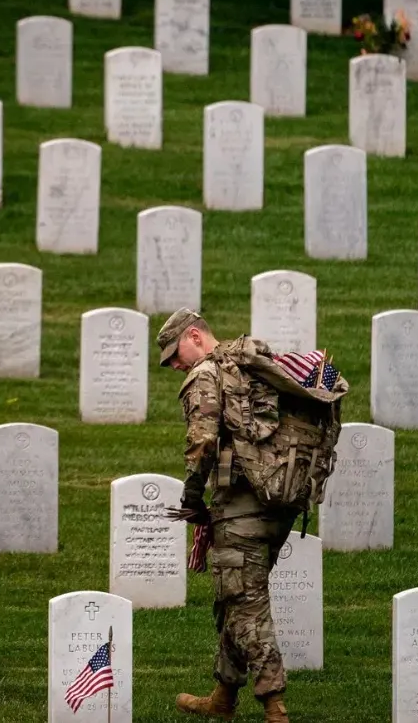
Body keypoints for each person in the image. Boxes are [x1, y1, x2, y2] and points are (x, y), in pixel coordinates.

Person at [156, 308, 297, 723]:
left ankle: (275, 707)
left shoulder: (205, 375)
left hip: (241, 506)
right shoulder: (253, 362)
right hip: (280, 502)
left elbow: (201, 444)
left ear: (195, 335)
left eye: (174, 354)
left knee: (245, 603)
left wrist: (191, 498)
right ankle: (222, 697)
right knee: (235, 600)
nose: (174, 365)